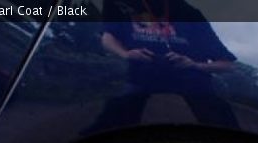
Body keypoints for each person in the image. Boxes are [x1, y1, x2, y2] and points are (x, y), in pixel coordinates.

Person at [85, 0, 239, 131]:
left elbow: (228, 64)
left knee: (221, 118)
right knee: (112, 115)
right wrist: (126, 54)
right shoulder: (121, 5)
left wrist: (193, 65)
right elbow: (108, 38)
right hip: (141, 78)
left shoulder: (191, 14)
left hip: (192, 81)